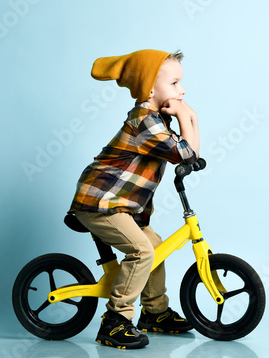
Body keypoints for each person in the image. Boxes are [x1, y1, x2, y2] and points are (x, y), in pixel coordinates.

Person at [68, 49, 200, 349]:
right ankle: (115, 321)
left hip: (120, 206)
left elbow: (188, 152)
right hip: (100, 202)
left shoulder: (156, 120)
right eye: (175, 83)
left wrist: (183, 118)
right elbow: (186, 152)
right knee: (142, 251)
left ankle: (154, 312)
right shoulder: (144, 120)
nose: (182, 90)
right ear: (150, 88)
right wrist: (188, 115)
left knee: (156, 247)